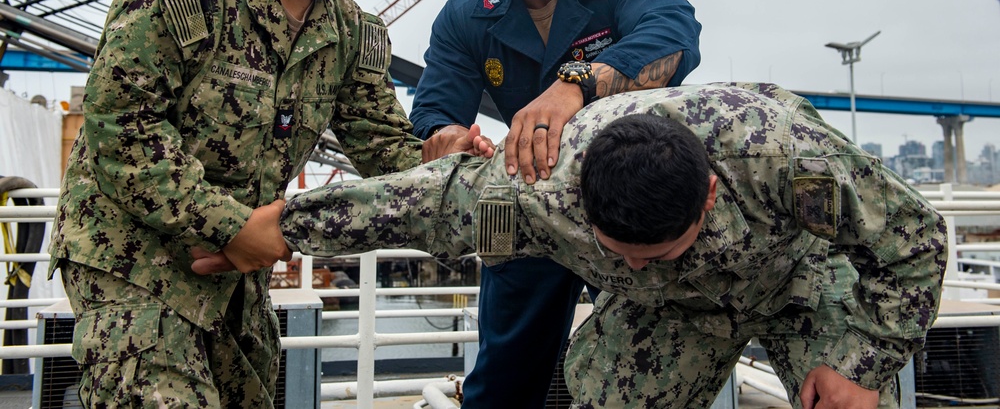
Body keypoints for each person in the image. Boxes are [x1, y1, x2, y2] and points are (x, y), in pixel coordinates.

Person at [48, 0, 442, 408]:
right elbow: (121, 127)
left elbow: (384, 146)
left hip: (234, 281)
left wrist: (437, 157)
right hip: (133, 263)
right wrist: (233, 225)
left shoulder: (352, 33)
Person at [262, 83, 946, 409]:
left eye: (656, 250)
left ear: (708, 196)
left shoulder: (779, 155)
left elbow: (913, 242)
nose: (633, 264)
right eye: (617, 254)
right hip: (670, 312)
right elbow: (415, 204)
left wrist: (858, 366)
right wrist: (281, 229)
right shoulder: (540, 189)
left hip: (797, 278)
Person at [412, 0, 702, 407]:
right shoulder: (465, 18)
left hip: (626, 209)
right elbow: (437, 109)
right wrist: (447, 140)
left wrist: (575, 87)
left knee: (642, 372)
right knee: (505, 380)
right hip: (528, 210)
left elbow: (674, 34)